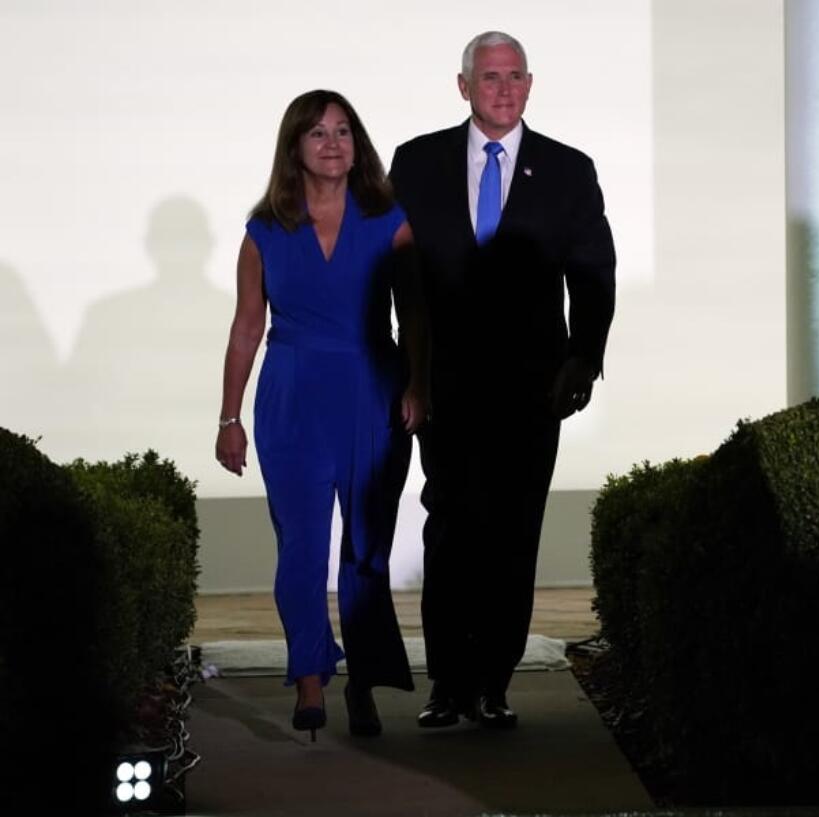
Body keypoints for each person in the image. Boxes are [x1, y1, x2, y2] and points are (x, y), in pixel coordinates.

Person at [388, 31, 616, 730]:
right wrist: (407, 373)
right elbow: (401, 275)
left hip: (531, 383)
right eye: (490, 77)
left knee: (513, 529)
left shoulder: (568, 170)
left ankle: (493, 682)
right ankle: (448, 683)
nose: (504, 89)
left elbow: (593, 271)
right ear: (463, 86)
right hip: (445, 379)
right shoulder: (417, 162)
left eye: (515, 76)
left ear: (530, 83)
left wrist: (584, 356)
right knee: (449, 525)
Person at [215, 89, 428, 741]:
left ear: (356, 144)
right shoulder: (263, 232)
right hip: (292, 397)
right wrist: (228, 417)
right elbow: (247, 328)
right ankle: (310, 677)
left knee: (365, 550)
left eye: (343, 131)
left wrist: (419, 381)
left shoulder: (390, 219)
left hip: (373, 392)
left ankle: (362, 682)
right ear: (294, 149)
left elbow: (418, 312)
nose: (333, 143)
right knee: (301, 547)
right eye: (317, 133)